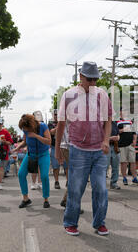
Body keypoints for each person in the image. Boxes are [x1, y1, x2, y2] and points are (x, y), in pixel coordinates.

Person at [55, 61, 112, 236]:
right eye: (89, 79)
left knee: (101, 189)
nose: (93, 83)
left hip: (99, 150)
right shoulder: (68, 95)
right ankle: (70, 222)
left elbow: (109, 119)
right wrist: (57, 149)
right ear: (81, 77)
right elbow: (61, 123)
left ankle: (99, 223)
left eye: (95, 79)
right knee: (75, 188)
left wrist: (106, 140)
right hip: (78, 149)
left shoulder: (102, 94)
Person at [13, 114, 51, 209]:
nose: (25, 130)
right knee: (21, 174)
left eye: (26, 128)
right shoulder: (26, 130)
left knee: (44, 176)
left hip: (43, 154)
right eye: (23, 129)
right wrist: (17, 148)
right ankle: (26, 199)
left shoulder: (43, 126)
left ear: (32, 125)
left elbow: (49, 141)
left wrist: (36, 136)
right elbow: (25, 142)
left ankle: (46, 199)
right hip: (31, 154)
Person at [117, 114, 138, 186]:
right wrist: (122, 130)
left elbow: (134, 133)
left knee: (133, 162)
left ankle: (134, 178)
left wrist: (134, 140)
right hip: (121, 145)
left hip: (131, 145)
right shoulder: (118, 121)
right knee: (123, 162)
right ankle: (124, 178)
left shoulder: (130, 121)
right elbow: (115, 131)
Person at [48, 110, 67, 190]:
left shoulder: (65, 122)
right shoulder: (50, 124)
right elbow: (51, 132)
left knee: (67, 165)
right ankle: (56, 181)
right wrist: (59, 125)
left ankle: (68, 181)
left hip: (64, 146)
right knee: (56, 166)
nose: (56, 116)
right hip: (54, 146)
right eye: (55, 114)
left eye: (57, 114)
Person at [107, 120, 121, 190]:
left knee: (116, 166)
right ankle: (101, 184)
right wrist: (110, 138)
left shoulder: (114, 122)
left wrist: (118, 137)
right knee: (104, 166)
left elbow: (118, 133)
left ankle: (114, 183)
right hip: (106, 146)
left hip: (115, 146)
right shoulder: (102, 122)